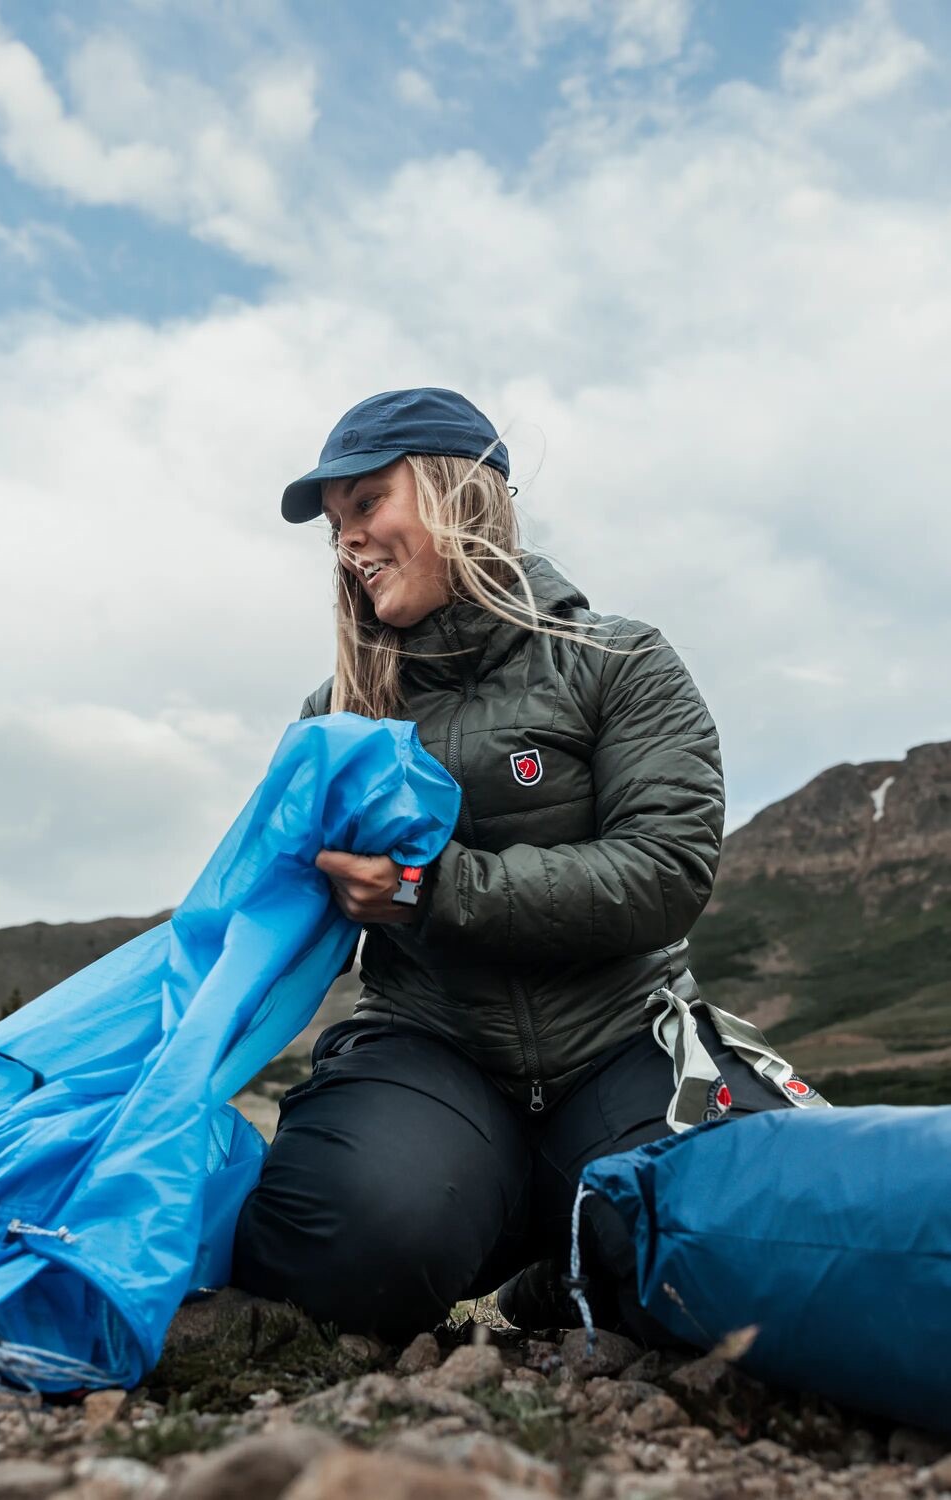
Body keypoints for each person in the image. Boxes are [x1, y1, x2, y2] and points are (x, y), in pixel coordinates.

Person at [230, 387, 811, 1344]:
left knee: (749, 1250)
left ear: (460, 494)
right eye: (336, 526)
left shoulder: (616, 659)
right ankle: (542, 1234)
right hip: (429, 1046)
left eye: (369, 504)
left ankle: (562, 1269)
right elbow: (278, 916)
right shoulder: (336, 714)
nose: (349, 542)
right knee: (341, 1249)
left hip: (625, 1044)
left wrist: (428, 886)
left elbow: (663, 872)